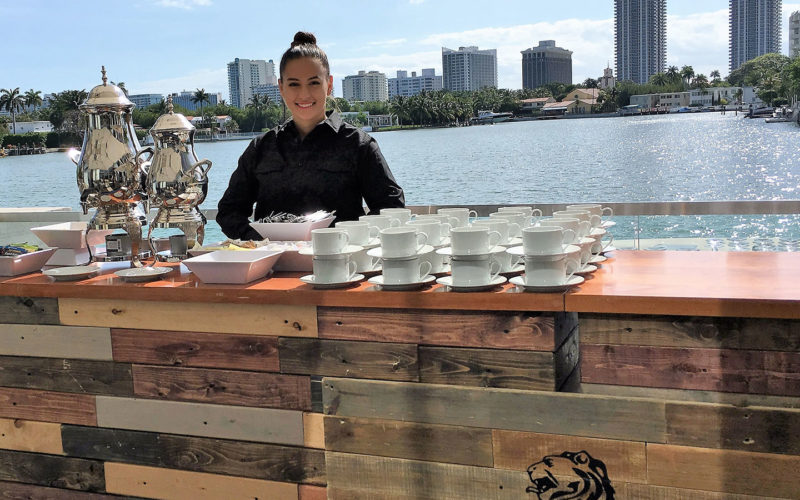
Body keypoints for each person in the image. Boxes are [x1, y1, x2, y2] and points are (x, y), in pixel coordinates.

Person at [216, 31, 405, 240]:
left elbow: (391, 208)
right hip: (272, 267)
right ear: (281, 88)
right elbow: (229, 212)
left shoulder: (358, 145)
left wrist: (353, 239)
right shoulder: (261, 148)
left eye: (314, 82)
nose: (304, 94)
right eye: (294, 84)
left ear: (329, 84)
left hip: (341, 266)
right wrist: (261, 242)